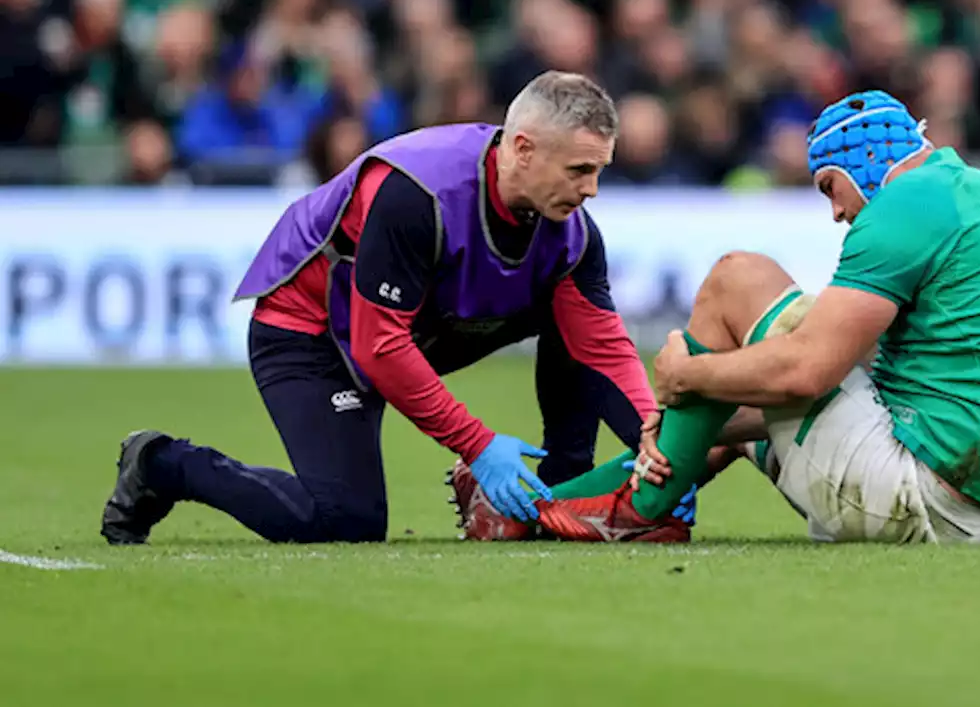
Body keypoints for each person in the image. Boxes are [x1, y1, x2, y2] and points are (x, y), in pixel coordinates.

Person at [449, 89, 980, 545]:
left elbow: (805, 374)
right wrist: (691, 415)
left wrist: (687, 379)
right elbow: (813, 375)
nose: (836, 212)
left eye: (828, 186)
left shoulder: (901, 206)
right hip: (973, 512)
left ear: (861, 160)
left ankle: (635, 511)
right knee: (730, 403)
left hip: (911, 495)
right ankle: (544, 511)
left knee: (736, 278)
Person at [101, 71, 662, 545]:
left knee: (571, 313)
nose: (592, 191)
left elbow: (603, 348)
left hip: (421, 328)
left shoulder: (573, 233)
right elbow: (379, 346)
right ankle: (161, 463)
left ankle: (563, 491)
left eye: (599, 171)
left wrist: (653, 445)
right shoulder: (415, 193)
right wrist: (479, 444)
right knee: (346, 520)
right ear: (523, 149)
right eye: (579, 171)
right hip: (315, 335)